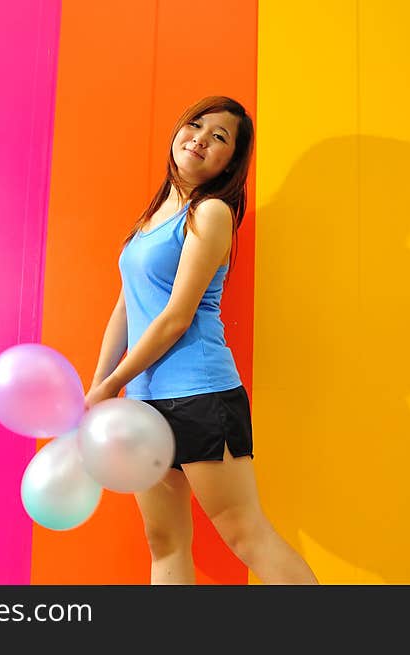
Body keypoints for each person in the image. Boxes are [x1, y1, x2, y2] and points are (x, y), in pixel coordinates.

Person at [83, 96, 318, 585]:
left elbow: (174, 318)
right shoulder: (150, 221)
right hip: (145, 402)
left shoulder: (209, 213)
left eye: (220, 138)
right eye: (197, 125)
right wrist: (101, 383)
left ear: (229, 162)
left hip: (200, 395)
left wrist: (110, 387)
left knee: (245, 535)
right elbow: (126, 307)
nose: (202, 139)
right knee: (165, 542)